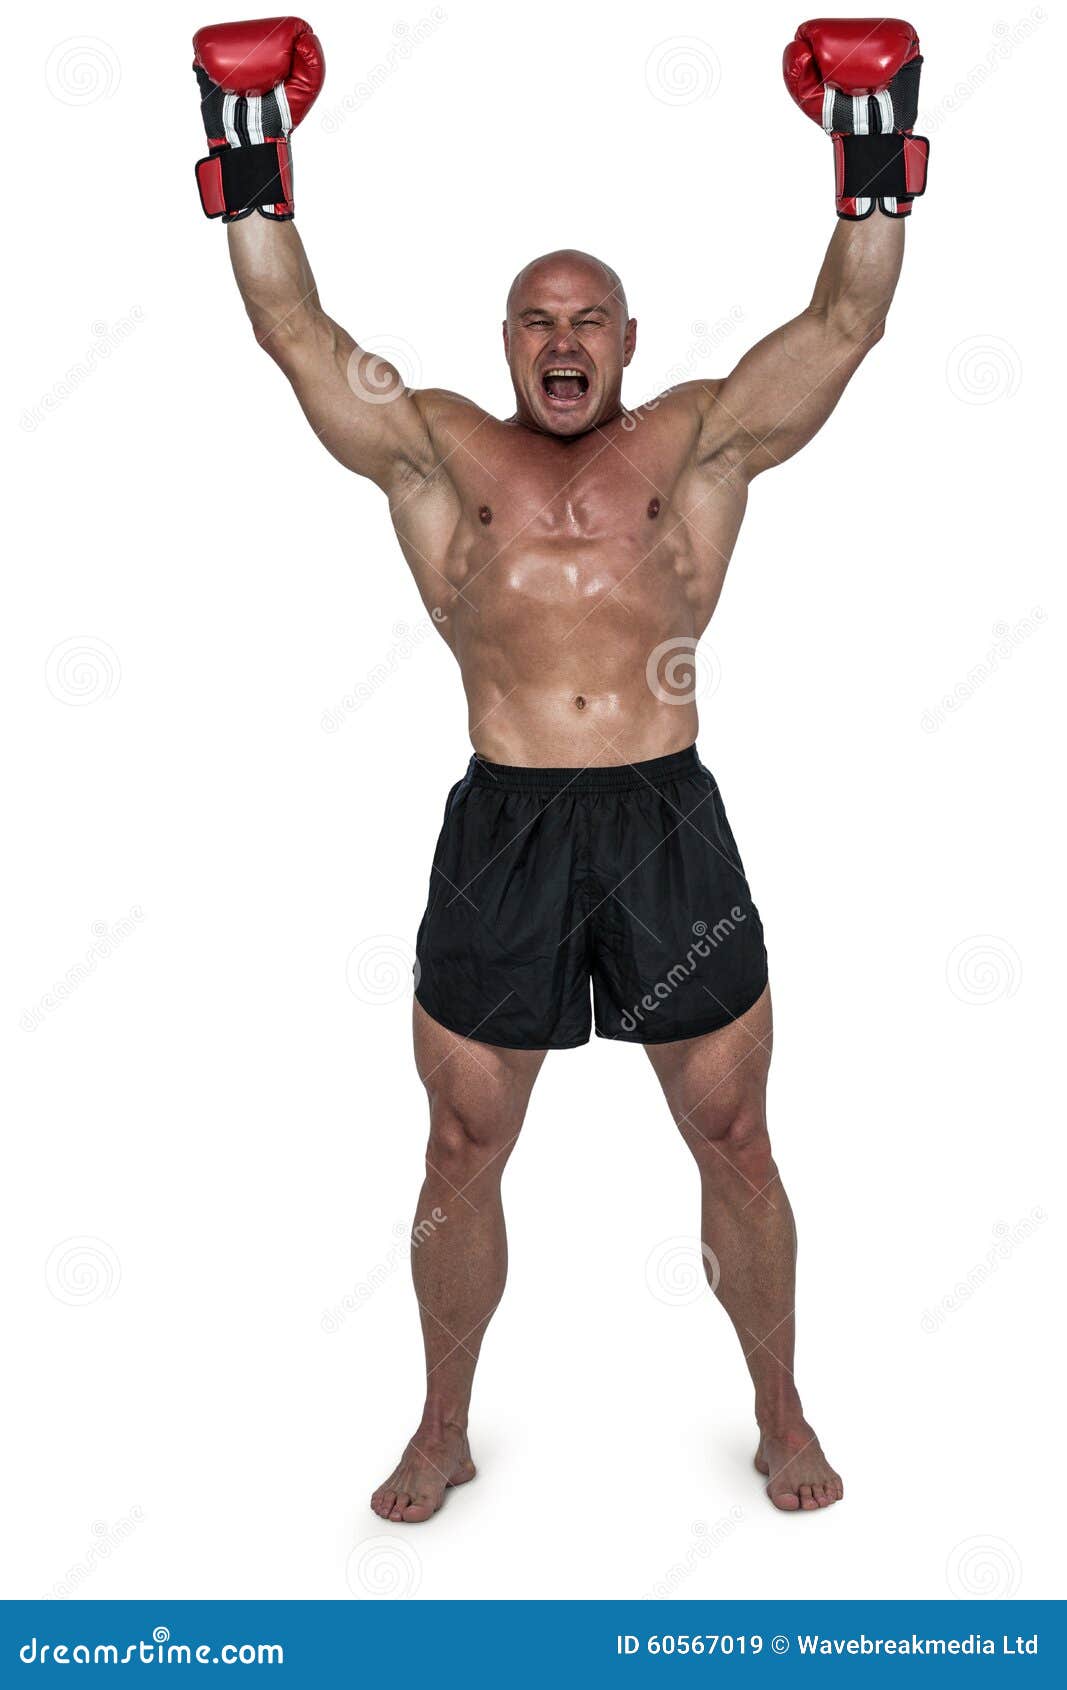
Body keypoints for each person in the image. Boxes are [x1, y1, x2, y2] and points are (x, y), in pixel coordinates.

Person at [191, 15, 928, 1517]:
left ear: (630, 340)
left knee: (733, 1130)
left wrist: (872, 150)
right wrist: (250, 149)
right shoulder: (445, 452)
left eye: (590, 317)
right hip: (505, 820)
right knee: (463, 1141)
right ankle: (443, 1423)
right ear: (507, 341)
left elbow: (845, 323)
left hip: (666, 815)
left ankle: (781, 1410)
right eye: (538, 319)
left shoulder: (697, 445)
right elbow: (296, 334)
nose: (566, 340)